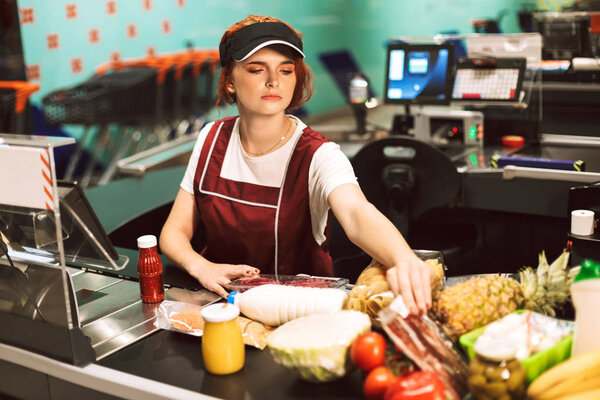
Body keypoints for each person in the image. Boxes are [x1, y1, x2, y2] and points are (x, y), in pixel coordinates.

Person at [160, 15, 433, 314]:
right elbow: (174, 232)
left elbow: (356, 214)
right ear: (229, 81)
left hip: (300, 312)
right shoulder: (210, 139)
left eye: (286, 70)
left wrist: (403, 258)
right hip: (221, 306)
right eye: (255, 69)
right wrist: (201, 267)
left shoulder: (318, 154)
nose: (273, 81)